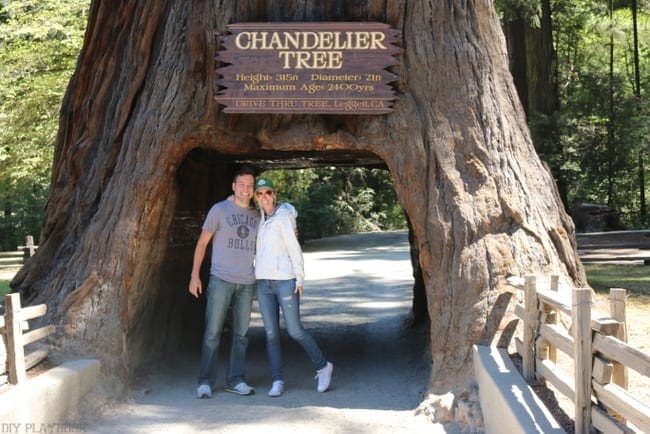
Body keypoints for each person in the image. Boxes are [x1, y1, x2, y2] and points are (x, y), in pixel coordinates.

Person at [253, 177, 333, 397]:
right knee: (271, 334)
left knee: (295, 330)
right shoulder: (259, 219)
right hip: (263, 283)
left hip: (285, 281)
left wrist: (300, 278)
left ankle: (323, 366)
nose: (264, 198)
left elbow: (293, 247)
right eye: (259, 194)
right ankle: (277, 380)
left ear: (274, 194)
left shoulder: (284, 217)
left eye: (267, 193)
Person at [189, 166, 259, 399]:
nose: (245, 190)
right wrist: (194, 275)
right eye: (241, 185)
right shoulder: (219, 210)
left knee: (241, 335)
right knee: (212, 333)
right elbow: (202, 244)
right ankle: (205, 382)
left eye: (250, 185)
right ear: (233, 186)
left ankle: (236, 380)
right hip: (220, 279)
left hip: (247, 282)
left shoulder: (258, 216)